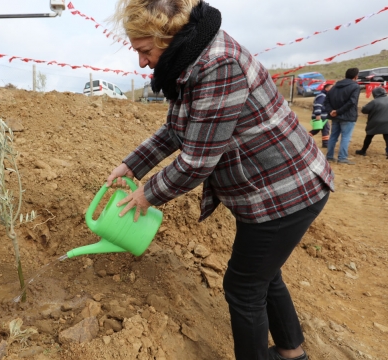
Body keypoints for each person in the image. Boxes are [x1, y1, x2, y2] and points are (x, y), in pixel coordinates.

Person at [107, 1, 334, 359]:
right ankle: (293, 353)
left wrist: (145, 196)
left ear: (169, 36)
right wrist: (132, 165)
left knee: (243, 287)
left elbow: (197, 161)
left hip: (284, 192)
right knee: (264, 276)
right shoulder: (190, 58)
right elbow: (176, 129)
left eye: (145, 51)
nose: (141, 62)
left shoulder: (217, 64)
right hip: (266, 189)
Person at [324, 68, 361, 165]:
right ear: (355, 76)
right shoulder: (355, 87)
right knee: (345, 137)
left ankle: (329, 156)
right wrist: (338, 111)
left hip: (335, 117)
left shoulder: (334, 87)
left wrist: (332, 111)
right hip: (347, 116)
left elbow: (326, 101)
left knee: (333, 136)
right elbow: (352, 102)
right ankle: (342, 158)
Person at [355, 86, 388, 158]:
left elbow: (364, 110)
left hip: (375, 122)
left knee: (369, 136)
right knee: (387, 137)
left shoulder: (374, 102)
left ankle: (363, 150)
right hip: (387, 122)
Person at [310, 83, 332, 148]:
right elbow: (317, 105)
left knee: (324, 129)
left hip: (323, 116)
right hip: (320, 116)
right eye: (331, 88)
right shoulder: (322, 96)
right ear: (326, 88)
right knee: (318, 129)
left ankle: (325, 144)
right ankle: (306, 138)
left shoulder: (325, 95)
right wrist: (318, 114)